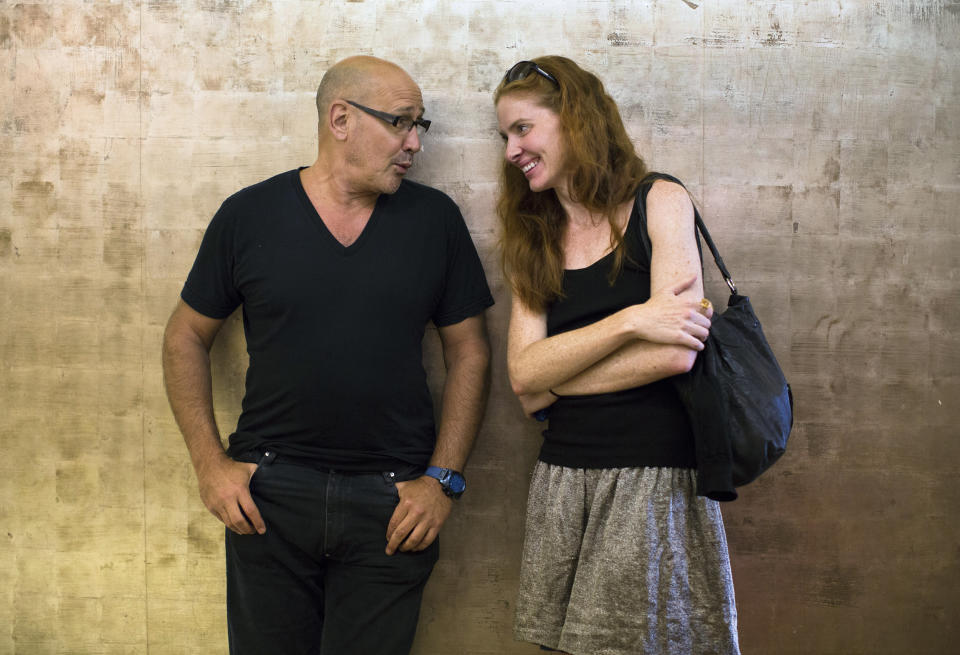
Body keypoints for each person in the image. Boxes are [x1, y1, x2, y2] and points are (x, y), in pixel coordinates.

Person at [162, 55, 493, 655]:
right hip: (270, 497)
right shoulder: (249, 215)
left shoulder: (434, 221)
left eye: (421, 126)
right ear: (341, 118)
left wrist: (441, 481)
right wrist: (211, 466)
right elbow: (184, 335)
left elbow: (469, 350)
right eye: (399, 122)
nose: (413, 142)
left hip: (394, 506)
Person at [493, 56, 740, 654]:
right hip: (561, 483)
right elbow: (523, 374)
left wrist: (556, 379)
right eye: (503, 136)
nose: (510, 151)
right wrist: (630, 320)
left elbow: (675, 354)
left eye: (522, 128)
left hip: (652, 480)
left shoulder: (661, 200)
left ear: (574, 117)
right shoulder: (535, 234)